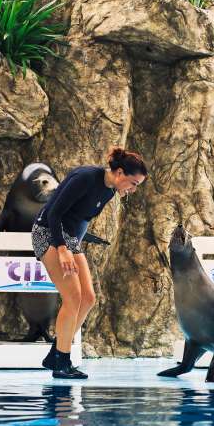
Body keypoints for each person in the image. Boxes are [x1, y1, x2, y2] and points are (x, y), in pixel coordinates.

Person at [31, 147, 148, 379]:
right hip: (47, 232)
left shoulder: (110, 191)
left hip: (69, 239)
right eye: (133, 183)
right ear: (120, 172)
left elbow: (81, 221)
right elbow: (54, 213)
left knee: (88, 298)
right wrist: (62, 250)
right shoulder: (85, 177)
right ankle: (62, 362)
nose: (133, 190)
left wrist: (73, 248)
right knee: (73, 297)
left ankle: (56, 353)